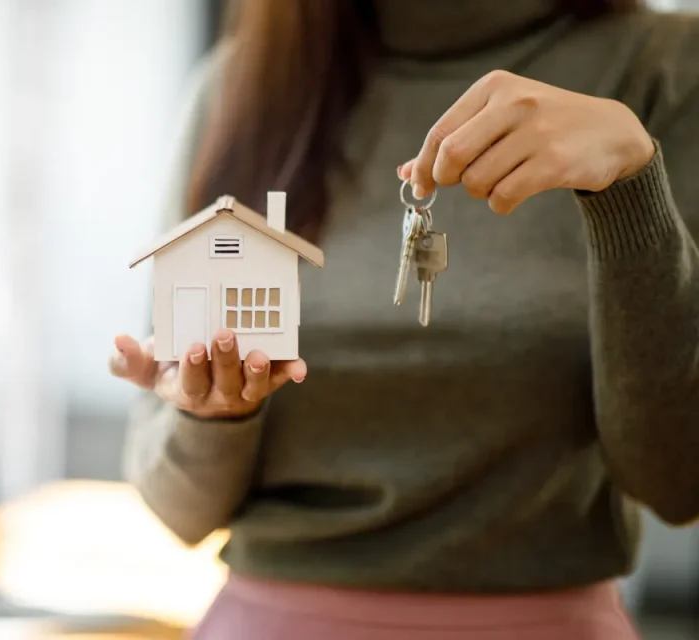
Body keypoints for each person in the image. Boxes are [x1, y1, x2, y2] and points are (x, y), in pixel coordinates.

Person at [109, 1, 699, 637]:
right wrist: (211, 414)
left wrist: (631, 189)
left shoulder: (665, 69)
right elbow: (176, 509)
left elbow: (678, 482)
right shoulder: (241, 84)